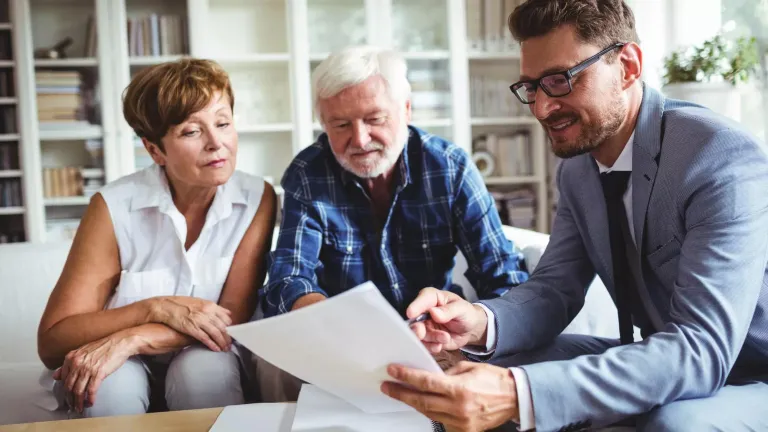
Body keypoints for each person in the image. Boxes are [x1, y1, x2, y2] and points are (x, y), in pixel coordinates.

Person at [381, 1, 768, 431]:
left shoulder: (717, 157)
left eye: (560, 80)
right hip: (661, 354)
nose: (542, 108)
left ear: (628, 66)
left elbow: (701, 351)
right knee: (468, 371)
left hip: (750, 370)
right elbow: (553, 290)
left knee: (676, 424)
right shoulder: (578, 170)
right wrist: (477, 324)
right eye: (531, 87)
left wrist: (518, 394)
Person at [258, 45, 529, 400]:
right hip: (341, 344)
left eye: (374, 119)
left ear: (405, 110)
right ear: (323, 124)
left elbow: (504, 277)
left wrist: (468, 331)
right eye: (340, 124)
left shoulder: (451, 167)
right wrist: (325, 319)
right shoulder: (308, 173)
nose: (359, 139)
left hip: (433, 340)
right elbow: (289, 277)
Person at [37, 58, 277, 418]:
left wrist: (131, 338)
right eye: (191, 132)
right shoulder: (113, 207)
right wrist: (155, 307)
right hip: (120, 363)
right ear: (155, 150)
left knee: (204, 372)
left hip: (204, 352)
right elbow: (53, 341)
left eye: (223, 123)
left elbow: (230, 320)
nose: (217, 143)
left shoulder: (258, 198)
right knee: (109, 388)